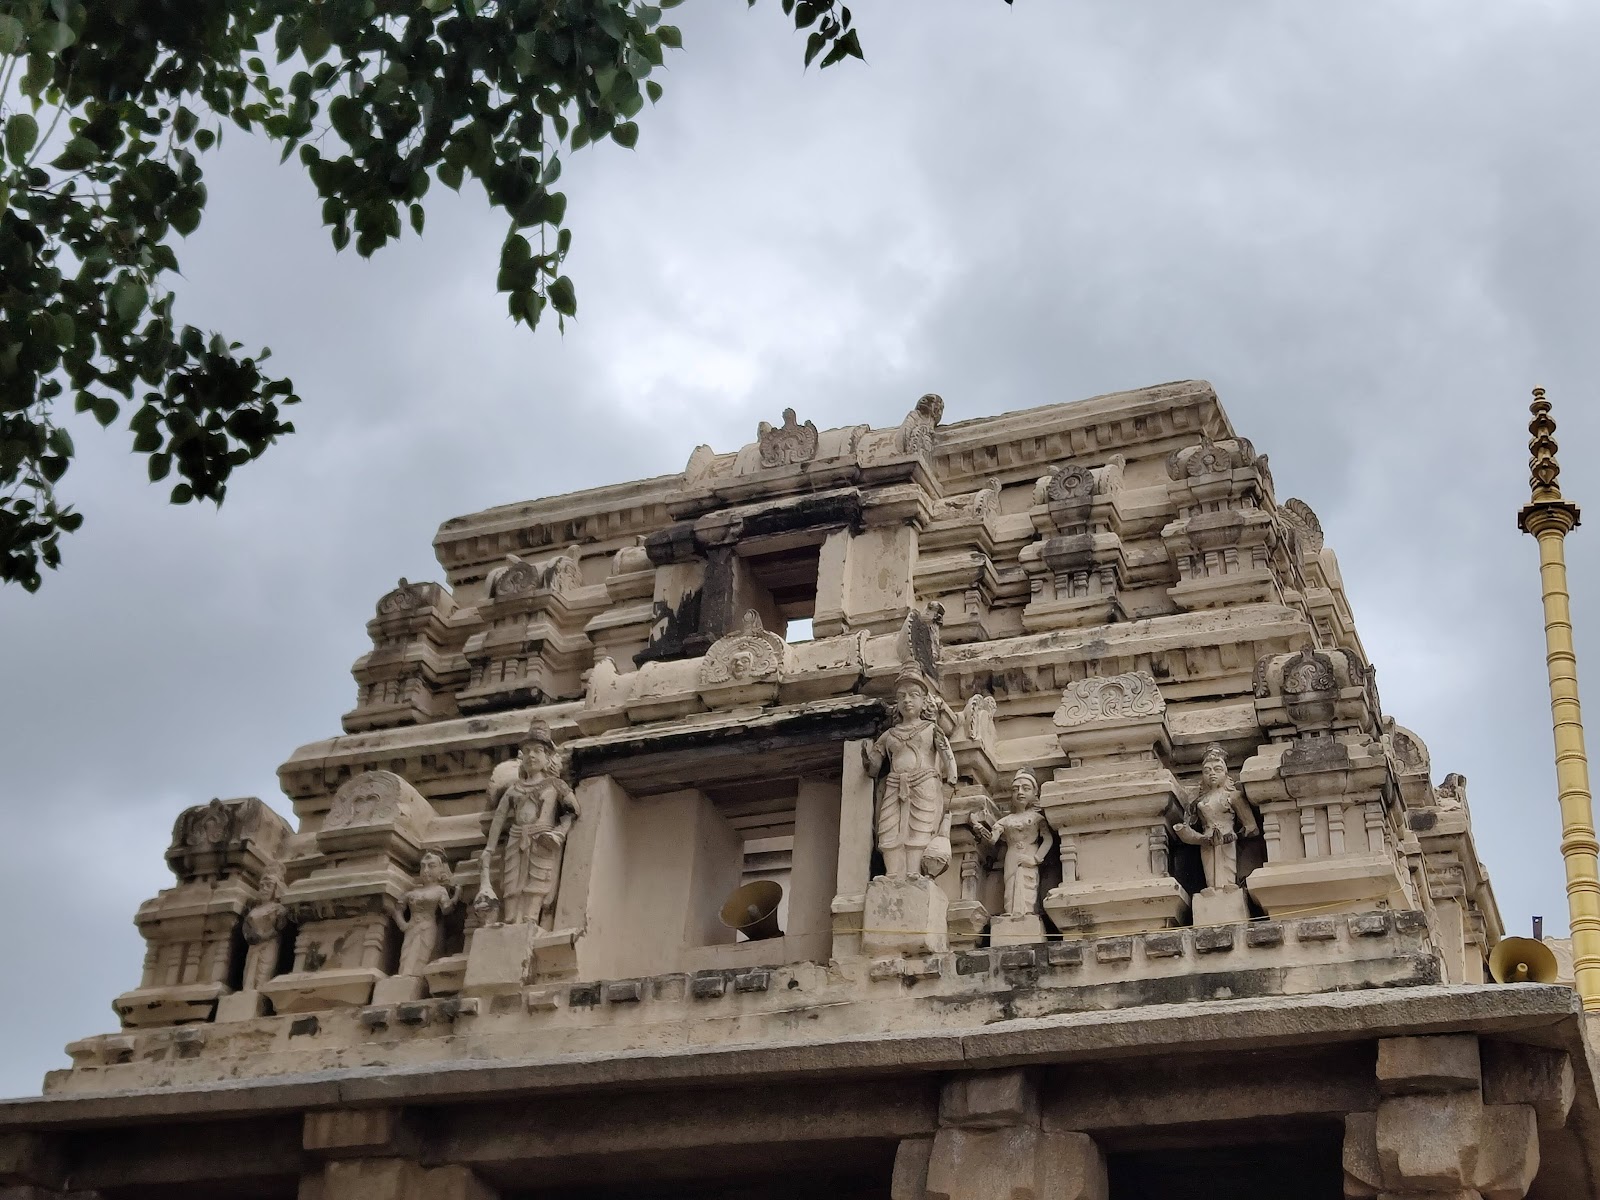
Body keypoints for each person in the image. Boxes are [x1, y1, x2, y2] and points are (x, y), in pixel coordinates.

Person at [477, 721, 579, 928]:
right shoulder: (515, 788)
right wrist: (489, 848)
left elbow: (573, 809)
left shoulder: (555, 785)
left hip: (541, 838)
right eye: (527, 751)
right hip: (516, 836)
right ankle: (511, 920)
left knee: (537, 881)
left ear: (548, 757)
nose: (531, 755)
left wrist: (559, 832)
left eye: (538, 751)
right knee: (512, 882)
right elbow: (499, 818)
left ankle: (530, 919)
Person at [863, 666, 957, 879]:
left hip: (923, 782)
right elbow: (875, 766)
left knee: (920, 828)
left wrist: (951, 777)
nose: (907, 700)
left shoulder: (931, 729)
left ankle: (913, 871)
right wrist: (868, 761)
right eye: (901, 696)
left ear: (924, 701)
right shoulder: (890, 734)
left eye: (914, 695)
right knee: (889, 827)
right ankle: (893, 873)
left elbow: (946, 754)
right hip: (895, 783)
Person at [1174, 744, 1258, 891]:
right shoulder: (1199, 801)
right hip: (1207, 838)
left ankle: (1229, 886)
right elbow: (1189, 824)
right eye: (1207, 771)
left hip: (1227, 836)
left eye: (1217, 769)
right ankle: (1212, 888)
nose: (1212, 774)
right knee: (1210, 872)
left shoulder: (1234, 796)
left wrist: (1234, 836)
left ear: (1225, 773)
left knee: (1227, 868)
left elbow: (1251, 827)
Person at [977, 768, 1053, 916]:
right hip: (1012, 855)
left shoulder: (1037, 818)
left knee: (1028, 884)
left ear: (1034, 793)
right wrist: (980, 828)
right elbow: (993, 839)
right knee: (1011, 884)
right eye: (1015, 789)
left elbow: (1048, 839)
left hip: (1029, 853)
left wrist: (1035, 859)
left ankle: (1028, 912)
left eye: (1026, 788)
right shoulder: (1005, 821)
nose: (1020, 792)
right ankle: (1011, 912)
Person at [396, 851, 459, 976]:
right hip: (412, 926)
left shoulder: (440, 891)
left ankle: (416, 977)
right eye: (423, 866)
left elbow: (446, 909)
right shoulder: (414, 891)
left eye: (431, 866)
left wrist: (456, 895)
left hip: (428, 926)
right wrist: (403, 924)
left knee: (421, 954)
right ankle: (404, 976)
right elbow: (398, 908)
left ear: (441, 870)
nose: (426, 870)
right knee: (406, 954)